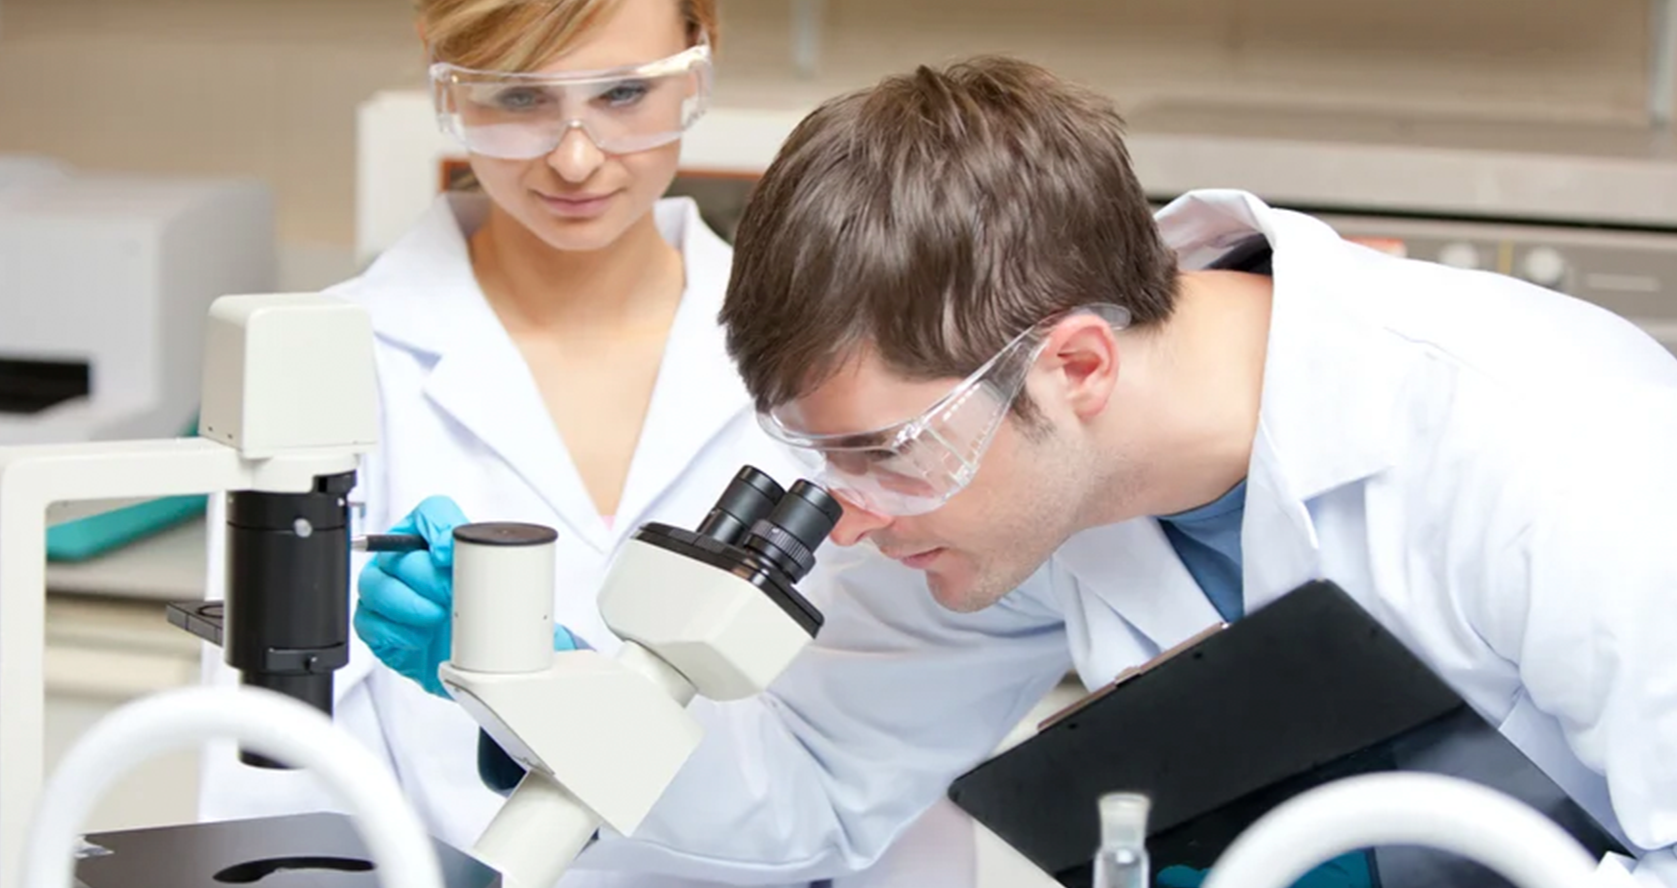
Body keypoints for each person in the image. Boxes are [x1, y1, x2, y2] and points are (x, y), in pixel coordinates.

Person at [364, 55, 1677, 888]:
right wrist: (553, 699)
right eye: (820, 462)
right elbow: (814, 786)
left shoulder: (1554, 448)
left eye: (883, 454)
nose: (849, 524)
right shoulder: (1013, 471)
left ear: (1077, 366)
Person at [194, 0, 975, 887]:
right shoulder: (324, 360)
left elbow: (875, 774)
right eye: (519, 97)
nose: (574, 158)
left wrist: (550, 690)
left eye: (622, 94)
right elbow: (272, 783)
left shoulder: (840, 362)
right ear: (443, 71)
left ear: (700, 51)